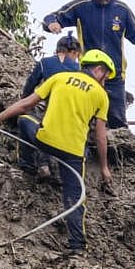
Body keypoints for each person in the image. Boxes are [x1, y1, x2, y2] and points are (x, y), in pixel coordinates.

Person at [0, 50, 114, 255]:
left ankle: (28, 165)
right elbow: (100, 136)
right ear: (99, 69)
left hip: (45, 141)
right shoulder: (101, 95)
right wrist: (104, 167)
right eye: (106, 76)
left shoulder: (59, 78)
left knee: (25, 121)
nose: (105, 81)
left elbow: (25, 105)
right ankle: (77, 246)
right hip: (73, 153)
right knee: (75, 198)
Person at [42, 0, 135, 128]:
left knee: (117, 121)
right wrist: (52, 24)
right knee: (86, 117)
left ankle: (117, 152)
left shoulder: (122, 10)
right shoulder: (81, 7)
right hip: (89, 74)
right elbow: (52, 17)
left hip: (114, 75)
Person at [18, 34, 82, 177]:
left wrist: (24, 102)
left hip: (51, 117)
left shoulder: (45, 63)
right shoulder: (80, 70)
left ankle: (30, 165)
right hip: (74, 126)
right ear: (74, 52)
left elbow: (29, 87)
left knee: (25, 121)